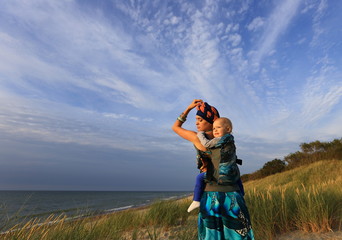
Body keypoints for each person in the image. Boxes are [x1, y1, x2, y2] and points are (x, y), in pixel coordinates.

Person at [172, 99, 254, 240]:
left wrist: (188, 109)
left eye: (199, 119)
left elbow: (176, 127)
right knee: (238, 235)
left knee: (212, 236)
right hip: (233, 193)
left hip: (211, 196)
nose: (196, 123)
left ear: (211, 121)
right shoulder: (227, 138)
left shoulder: (197, 138)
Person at [187, 117, 245, 212]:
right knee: (237, 177)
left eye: (218, 127)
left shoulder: (220, 140)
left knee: (199, 178)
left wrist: (200, 133)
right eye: (214, 128)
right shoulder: (231, 140)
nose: (215, 130)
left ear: (228, 129)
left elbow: (206, 144)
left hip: (220, 174)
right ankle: (242, 194)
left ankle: (196, 200)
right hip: (232, 172)